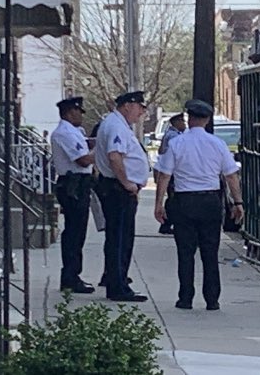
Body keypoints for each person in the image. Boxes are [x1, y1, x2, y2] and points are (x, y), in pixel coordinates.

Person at [154, 99, 244, 311]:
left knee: (185, 252)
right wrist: (237, 202)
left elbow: (164, 176)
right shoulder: (218, 144)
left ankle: (185, 297)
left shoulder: (177, 144)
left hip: (184, 201)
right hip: (210, 201)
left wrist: (159, 204)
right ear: (207, 120)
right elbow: (231, 176)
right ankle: (212, 299)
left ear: (189, 118)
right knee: (210, 252)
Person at [94, 91, 150, 302]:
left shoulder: (117, 124)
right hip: (118, 189)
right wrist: (127, 182)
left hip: (118, 188)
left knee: (120, 237)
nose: (141, 112)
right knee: (119, 238)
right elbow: (115, 156)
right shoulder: (116, 126)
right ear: (127, 105)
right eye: (139, 107)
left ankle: (117, 278)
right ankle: (117, 286)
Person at [50, 97, 96, 293]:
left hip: (80, 184)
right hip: (72, 184)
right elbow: (83, 160)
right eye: (78, 112)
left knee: (79, 232)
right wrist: (101, 150)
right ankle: (70, 276)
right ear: (69, 113)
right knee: (74, 232)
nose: (81, 116)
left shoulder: (74, 132)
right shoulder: (64, 133)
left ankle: (73, 274)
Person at [155, 113, 186, 234]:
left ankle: (167, 223)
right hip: (172, 172)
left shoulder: (170, 134)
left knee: (172, 199)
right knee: (173, 200)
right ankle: (166, 224)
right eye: (182, 122)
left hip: (170, 171)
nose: (184, 124)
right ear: (176, 123)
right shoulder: (174, 136)